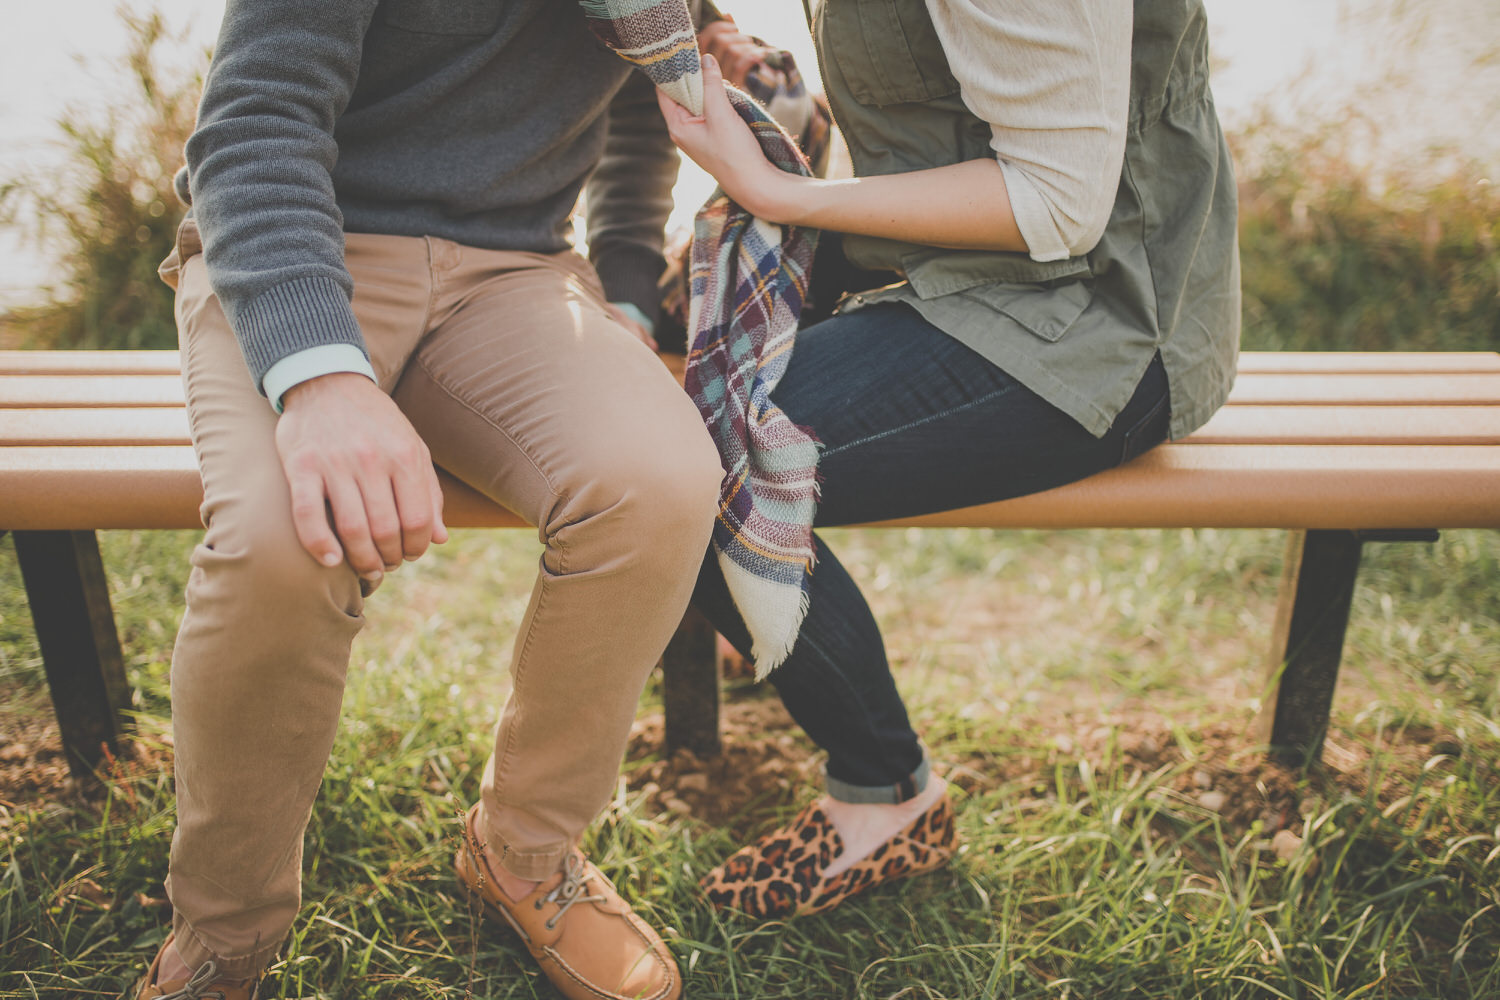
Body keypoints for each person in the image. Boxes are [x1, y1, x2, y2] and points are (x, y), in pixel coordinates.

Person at [137, 2, 724, 998]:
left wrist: (625, 287)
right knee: (285, 544)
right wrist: (322, 379)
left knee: (661, 482)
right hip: (297, 247)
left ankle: (525, 853)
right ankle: (224, 931)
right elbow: (257, 121)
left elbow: (645, 102)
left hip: (520, 275)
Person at [659, 0, 1241, 919]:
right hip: (960, 264)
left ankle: (886, 793)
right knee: (673, 340)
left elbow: (1060, 201)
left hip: (1095, 319)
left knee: (676, 476)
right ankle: (761, 606)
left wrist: (785, 197)